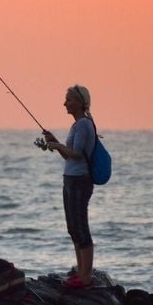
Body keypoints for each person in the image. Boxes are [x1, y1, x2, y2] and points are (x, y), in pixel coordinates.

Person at [42, 85, 97, 289]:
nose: (65, 103)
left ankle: (86, 276)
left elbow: (76, 154)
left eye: (69, 100)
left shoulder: (84, 124)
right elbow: (68, 155)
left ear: (81, 102)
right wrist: (55, 142)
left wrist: (57, 146)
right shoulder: (76, 125)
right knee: (72, 227)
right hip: (70, 179)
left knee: (81, 226)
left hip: (80, 181)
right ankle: (81, 271)